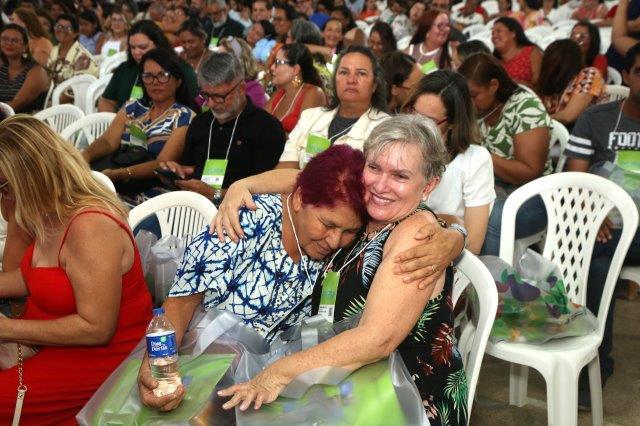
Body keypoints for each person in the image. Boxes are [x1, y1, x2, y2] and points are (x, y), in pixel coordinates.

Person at [217, 115, 468, 426]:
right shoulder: (370, 208)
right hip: (344, 382)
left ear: (429, 185)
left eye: (400, 176)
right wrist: (243, 185)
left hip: (403, 400)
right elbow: (303, 180)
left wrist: (279, 373)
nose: (381, 185)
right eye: (374, 168)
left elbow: (376, 340)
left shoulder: (416, 235)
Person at [0, 115, 152, 424]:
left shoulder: (90, 226)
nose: (3, 197)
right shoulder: (46, 213)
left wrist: (8, 330)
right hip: (54, 345)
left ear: (28, 179)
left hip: (104, 360)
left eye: (3, 187)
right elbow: (34, 277)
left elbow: (97, 328)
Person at [564, 42, 640, 408]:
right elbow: (576, 182)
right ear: (627, 75)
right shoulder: (596, 119)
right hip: (610, 227)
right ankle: (594, 361)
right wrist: (590, 214)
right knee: (594, 263)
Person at [459, 53, 551, 256]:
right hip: (491, 186)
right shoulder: (477, 110)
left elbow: (530, 171)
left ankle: (492, 275)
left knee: (490, 218)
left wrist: (482, 154)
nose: (469, 103)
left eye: (474, 95)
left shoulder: (526, 108)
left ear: (493, 85)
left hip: (533, 195)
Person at [160, 52, 286, 200]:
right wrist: (180, 174)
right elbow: (191, 168)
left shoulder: (267, 128)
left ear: (241, 88)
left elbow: (269, 192)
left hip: (243, 210)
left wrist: (216, 194)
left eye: (219, 97)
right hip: (194, 206)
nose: (211, 104)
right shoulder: (199, 123)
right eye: (206, 95)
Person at [83, 49, 196, 197]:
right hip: (116, 179)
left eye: (162, 75)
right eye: (148, 76)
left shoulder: (184, 116)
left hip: (153, 191)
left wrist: (121, 174)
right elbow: (108, 141)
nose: (155, 82)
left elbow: (162, 163)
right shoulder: (133, 107)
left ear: (178, 81)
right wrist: (85, 156)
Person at [406, 70, 495, 254]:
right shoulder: (398, 147)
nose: (416, 126)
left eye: (429, 121)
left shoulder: (474, 160)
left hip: (448, 254)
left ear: (454, 122)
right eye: (413, 113)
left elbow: (473, 244)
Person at [278, 45, 389, 169]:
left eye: (361, 73)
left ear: (374, 85)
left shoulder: (385, 129)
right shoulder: (310, 116)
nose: (351, 80)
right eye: (344, 72)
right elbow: (284, 169)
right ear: (335, 80)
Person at [99, 20, 198, 113]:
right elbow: (106, 100)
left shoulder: (182, 70)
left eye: (143, 47)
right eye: (132, 47)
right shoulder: (125, 68)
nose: (136, 52)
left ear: (158, 44)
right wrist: (114, 120)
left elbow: (190, 109)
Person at [538, 39, 606, 127]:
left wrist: (538, 120)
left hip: (587, 129)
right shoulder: (553, 80)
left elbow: (568, 117)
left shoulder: (589, 74)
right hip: (555, 128)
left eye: (553, 62)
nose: (548, 67)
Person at [266, 43, 326, 133]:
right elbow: (259, 122)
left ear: (295, 69)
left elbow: (300, 136)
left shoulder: (314, 93)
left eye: (278, 63)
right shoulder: (279, 92)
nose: (272, 67)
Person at [47, 13, 99, 101]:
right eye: (59, 26)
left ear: (75, 33)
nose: (62, 30)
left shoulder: (83, 58)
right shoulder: (54, 50)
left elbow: (75, 93)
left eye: (67, 28)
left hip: (73, 104)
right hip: (52, 98)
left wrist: (50, 104)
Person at [0, 24, 49, 113]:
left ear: (25, 46)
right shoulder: (3, 68)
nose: (9, 43)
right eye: (5, 39)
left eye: (15, 40)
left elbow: (14, 106)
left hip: (24, 119)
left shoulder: (37, 72)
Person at [491, 17, 542, 87]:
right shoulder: (493, 62)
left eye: (499, 31)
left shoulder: (532, 53)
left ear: (513, 33)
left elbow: (540, 86)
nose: (494, 36)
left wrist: (515, 84)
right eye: (492, 33)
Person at [218, 36, 268, 108]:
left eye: (222, 58)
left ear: (239, 62)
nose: (216, 61)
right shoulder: (216, 83)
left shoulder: (254, 91)